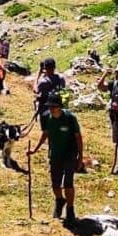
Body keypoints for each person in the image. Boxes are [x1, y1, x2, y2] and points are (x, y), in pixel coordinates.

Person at [26, 93, 83, 224]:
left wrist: (80, 156)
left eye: (54, 106)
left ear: (60, 107)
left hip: (69, 154)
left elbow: (78, 137)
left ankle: (70, 209)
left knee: (68, 183)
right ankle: (59, 200)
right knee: (55, 184)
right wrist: (35, 149)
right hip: (55, 154)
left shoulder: (70, 118)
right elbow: (45, 133)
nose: (52, 109)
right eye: (50, 106)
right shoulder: (46, 117)